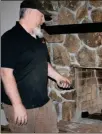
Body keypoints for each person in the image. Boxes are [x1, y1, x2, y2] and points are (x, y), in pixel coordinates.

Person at [1, 0, 71, 133]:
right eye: (42, 16)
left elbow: (44, 63)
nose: (43, 20)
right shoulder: (10, 38)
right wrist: (17, 105)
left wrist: (59, 77)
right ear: (31, 13)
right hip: (22, 105)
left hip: (43, 102)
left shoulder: (39, 38)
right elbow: (5, 73)